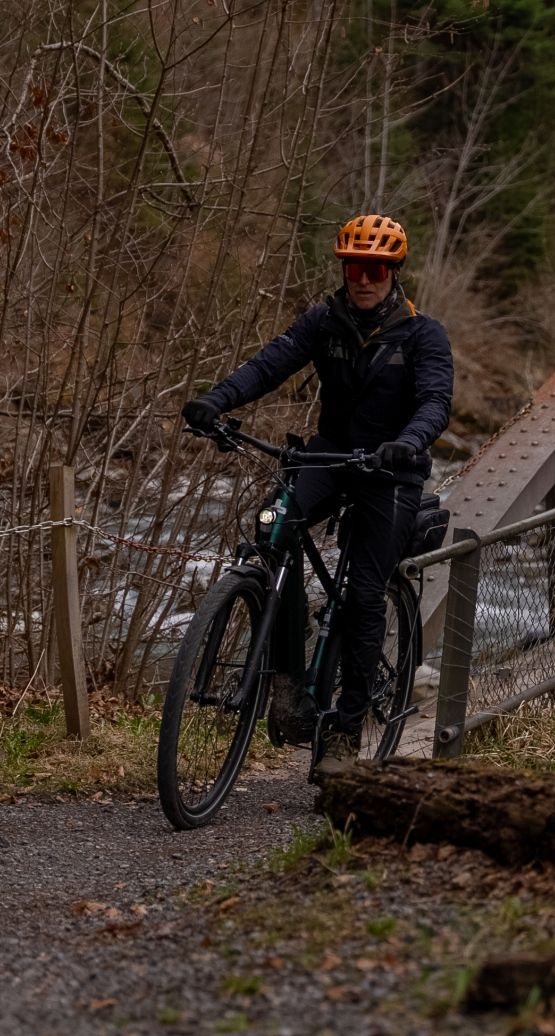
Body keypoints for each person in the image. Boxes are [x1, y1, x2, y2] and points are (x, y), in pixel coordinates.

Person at [181, 213, 453, 775]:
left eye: (375, 268)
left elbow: (435, 401)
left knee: (362, 594)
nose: (363, 278)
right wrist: (218, 401)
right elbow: (269, 364)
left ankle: (346, 733)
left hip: (390, 471)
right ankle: (287, 683)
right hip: (328, 455)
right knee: (270, 530)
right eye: (355, 266)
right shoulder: (324, 322)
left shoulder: (423, 334)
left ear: (393, 271)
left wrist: (409, 441)